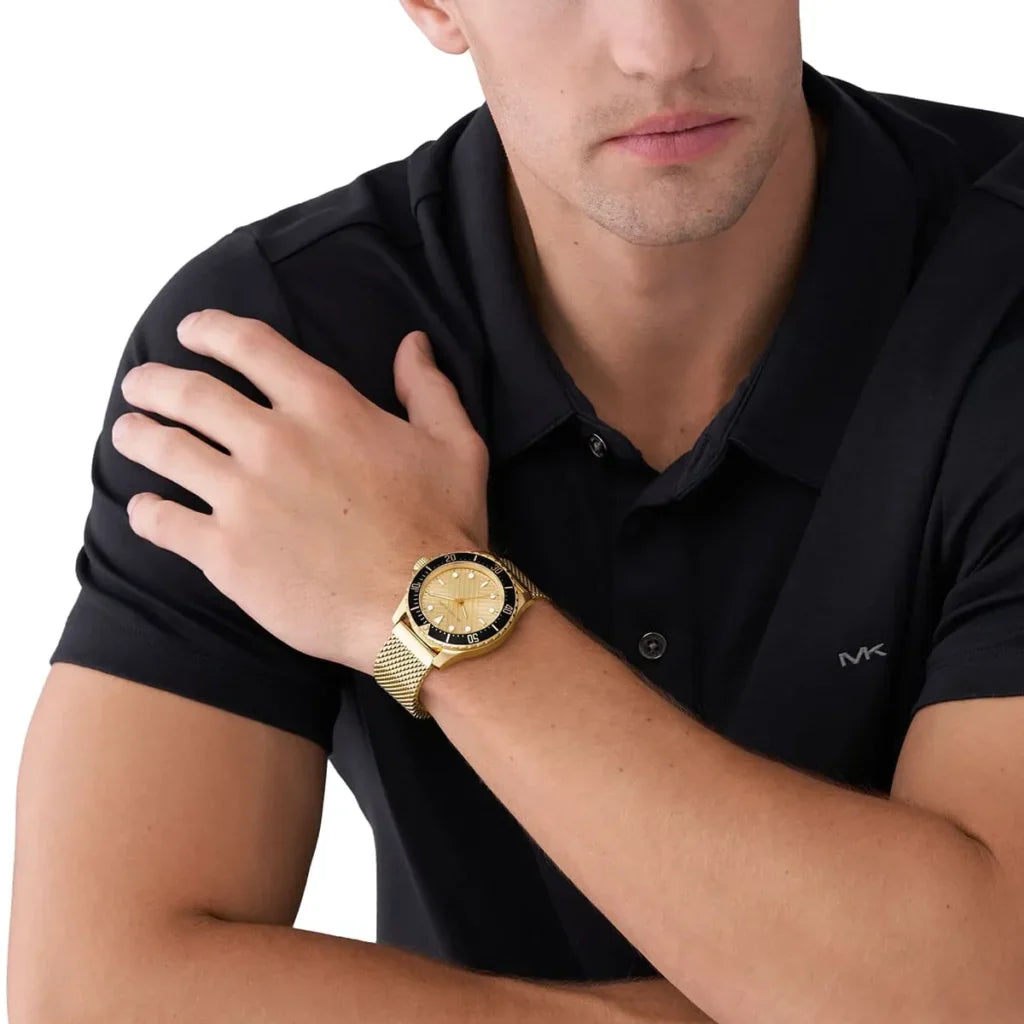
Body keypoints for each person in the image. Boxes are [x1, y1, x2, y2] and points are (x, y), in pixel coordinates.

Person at [10, 1, 1024, 1021]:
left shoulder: (1002, 284)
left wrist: (420, 596)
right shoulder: (286, 356)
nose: (662, 48)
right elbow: (88, 995)